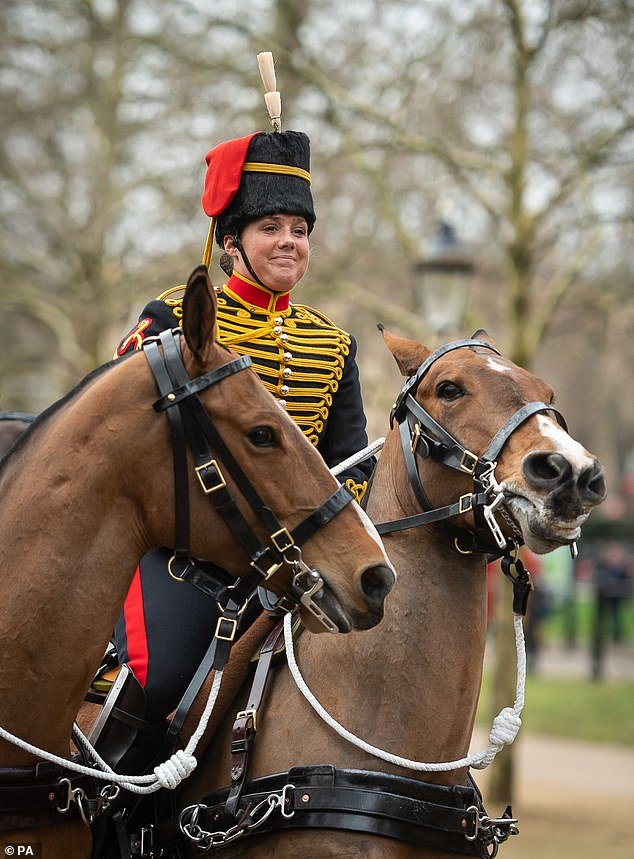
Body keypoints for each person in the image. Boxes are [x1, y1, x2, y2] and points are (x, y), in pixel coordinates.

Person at [112, 129, 375, 732]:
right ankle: (107, 812)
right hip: (184, 558)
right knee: (159, 686)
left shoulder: (332, 345)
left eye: (300, 230)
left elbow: (352, 466)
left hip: (298, 572)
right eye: (271, 227)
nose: (289, 242)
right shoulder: (175, 317)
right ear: (231, 243)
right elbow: (122, 436)